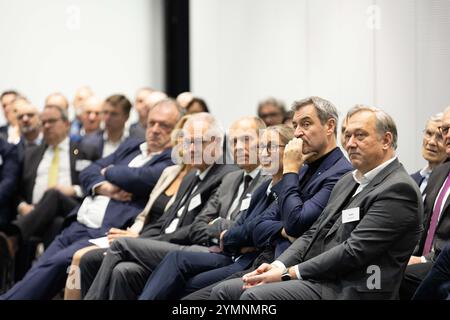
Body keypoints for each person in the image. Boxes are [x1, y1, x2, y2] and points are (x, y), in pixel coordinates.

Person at [210, 105, 423, 300]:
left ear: (386, 140)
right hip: (321, 278)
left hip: (354, 288)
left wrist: (289, 273)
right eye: (347, 135)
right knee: (224, 291)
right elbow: (314, 232)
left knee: (254, 297)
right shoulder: (349, 180)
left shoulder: (397, 188)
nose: (350, 143)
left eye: (360, 136)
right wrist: (278, 265)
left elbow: (352, 251)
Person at [0, 99, 180, 300]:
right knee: (42, 265)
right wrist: (104, 186)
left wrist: (109, 171)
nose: (155, 130)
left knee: (58, 264)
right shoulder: (133, 146)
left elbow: (139, 179)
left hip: (106, 230)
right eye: (152, 123)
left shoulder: (172, 159)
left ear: (178, 131)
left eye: (164, 125)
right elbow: (89, 171)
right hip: (80, 221)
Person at [183, 96, 353, 300]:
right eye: (296, 125)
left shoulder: (339, 172)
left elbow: (296, 224)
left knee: (217, 293)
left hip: (297, 267)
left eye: (306, 124)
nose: (298, 132)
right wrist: (280, 229)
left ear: (329, 126)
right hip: (268, 260)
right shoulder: (302, 169)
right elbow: (260, 223)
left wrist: (290, 170)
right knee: (192, 295)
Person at [81, 113, 240, 300]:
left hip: (186, 246)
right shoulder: (191, 175)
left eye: (197, 142)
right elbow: (165, 220)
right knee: (121, 269)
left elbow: (196, 228)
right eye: (187, 143)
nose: (190, 149)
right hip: (164, 242)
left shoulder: (225, 175)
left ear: (215, 143)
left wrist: (149, 241)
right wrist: (141, 239)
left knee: (120, 245)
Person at [138, 124, 293, 300]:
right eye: (261, 147)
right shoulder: (260, 187)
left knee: (183, 280)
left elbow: (256, 229)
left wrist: (230, 235)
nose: (263, 153)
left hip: (252, 261)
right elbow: (235, 226)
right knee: (130, 267)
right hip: (230, 252)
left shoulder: (286, 186)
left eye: (270, 147)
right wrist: (235, 236)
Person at [400, 106, 450, 299]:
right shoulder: (439, 172)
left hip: (441, 263)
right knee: (376, 269)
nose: (446, 136)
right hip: (427, 260)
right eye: (445, 130)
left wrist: (421, 259)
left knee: (388, 275)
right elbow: (423, 228)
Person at [410, 113, 447, 196]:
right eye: (429, 134)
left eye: (440, 137)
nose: (431, 142)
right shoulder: (413, 179)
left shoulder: (447, 184)